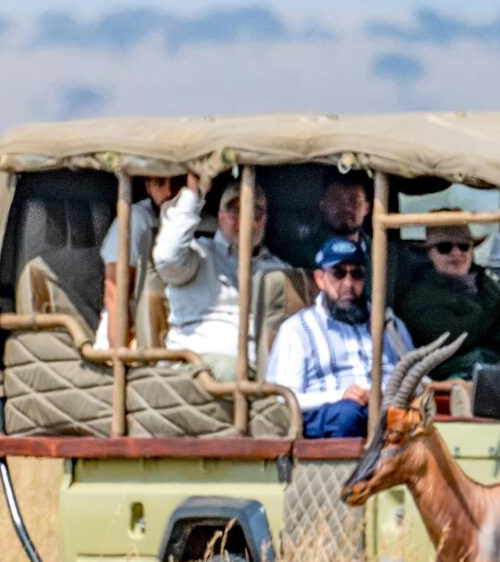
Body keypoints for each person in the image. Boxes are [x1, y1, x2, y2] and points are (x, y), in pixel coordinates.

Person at [262, 237, 414, 438]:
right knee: (348, 414)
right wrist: (340, 396)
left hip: (387, 411)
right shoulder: (297, 329)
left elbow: (412, 371)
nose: (348, 284)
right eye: (338, 274)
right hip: (332, 414)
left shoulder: (388, 323)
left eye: (356, 274)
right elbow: (284, 396)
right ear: (320, 279)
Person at [153, 173, 293, 376]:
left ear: (264, 221)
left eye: (256, 212)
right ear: (220, 216)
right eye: (235, 210)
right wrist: (193, 195)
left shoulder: (279, 270)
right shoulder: (197, 255)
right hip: (197, 365)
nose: (245, 219)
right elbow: (166, 258)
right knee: (231, 370)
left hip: (262, 370)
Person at [392, 223, 500, 378]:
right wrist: (495, 311)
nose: (457, 253)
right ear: (429, 253)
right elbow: (452, 336)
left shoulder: (486, 283)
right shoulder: (419, 295)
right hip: (450, 378)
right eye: (444, 247)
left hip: (498, 367)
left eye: (464, 246)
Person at [98, 174, 179, 345]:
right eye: (160, 182)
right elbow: (114, 290)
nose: (169, 192)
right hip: (132, 337)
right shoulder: (138, 218)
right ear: (148, 186)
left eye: (178, 183)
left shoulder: (203, 224)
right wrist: (120, 354)